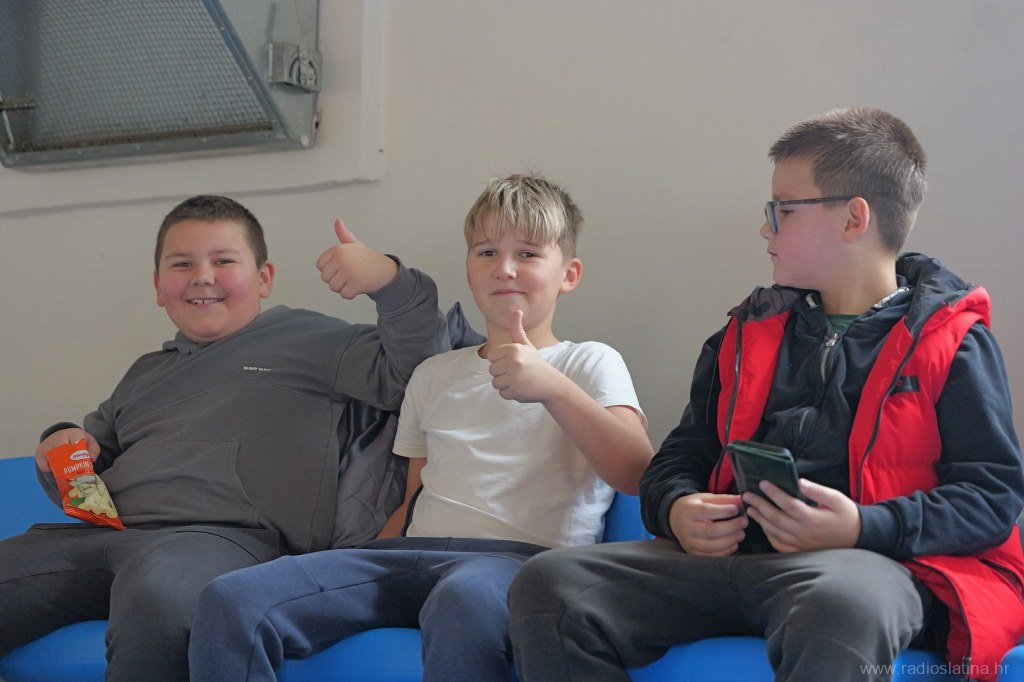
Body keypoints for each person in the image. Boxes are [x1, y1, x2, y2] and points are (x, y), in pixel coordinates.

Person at [508, 109, 1024, 682]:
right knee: (551, 585)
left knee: (842, 606)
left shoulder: (953, 341)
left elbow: (992, 497)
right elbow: (682, 454)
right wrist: (677, 508)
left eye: (783, 210)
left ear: (854, 218)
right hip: (733, 562)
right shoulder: (744, 333)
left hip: (872, 565)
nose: (766, 228)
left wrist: (862, 526)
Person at [187, 173, 654, 682]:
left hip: (522, 564)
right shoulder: (434, 374)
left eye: (527, 254)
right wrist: (357, 560)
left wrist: (553, 388)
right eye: (486, 252)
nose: (504, 268)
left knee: (461, 599)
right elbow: (414, 499)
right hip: (410, 555)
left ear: (569, 274)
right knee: (233, 597)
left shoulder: (588, 362)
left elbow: (637, 472)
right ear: (469, 267)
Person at [0, 195, 449, 681]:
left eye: (224, 261)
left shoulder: (319, 342)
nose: (202, 276)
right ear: (158, 287)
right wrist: (60, 442)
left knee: (162, 599)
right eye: (182, 264)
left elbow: (426, 368)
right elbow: (89, 478)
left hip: (221, 541)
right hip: (101, 538)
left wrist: (389, 281)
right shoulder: (144, 374)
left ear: (264, 278)